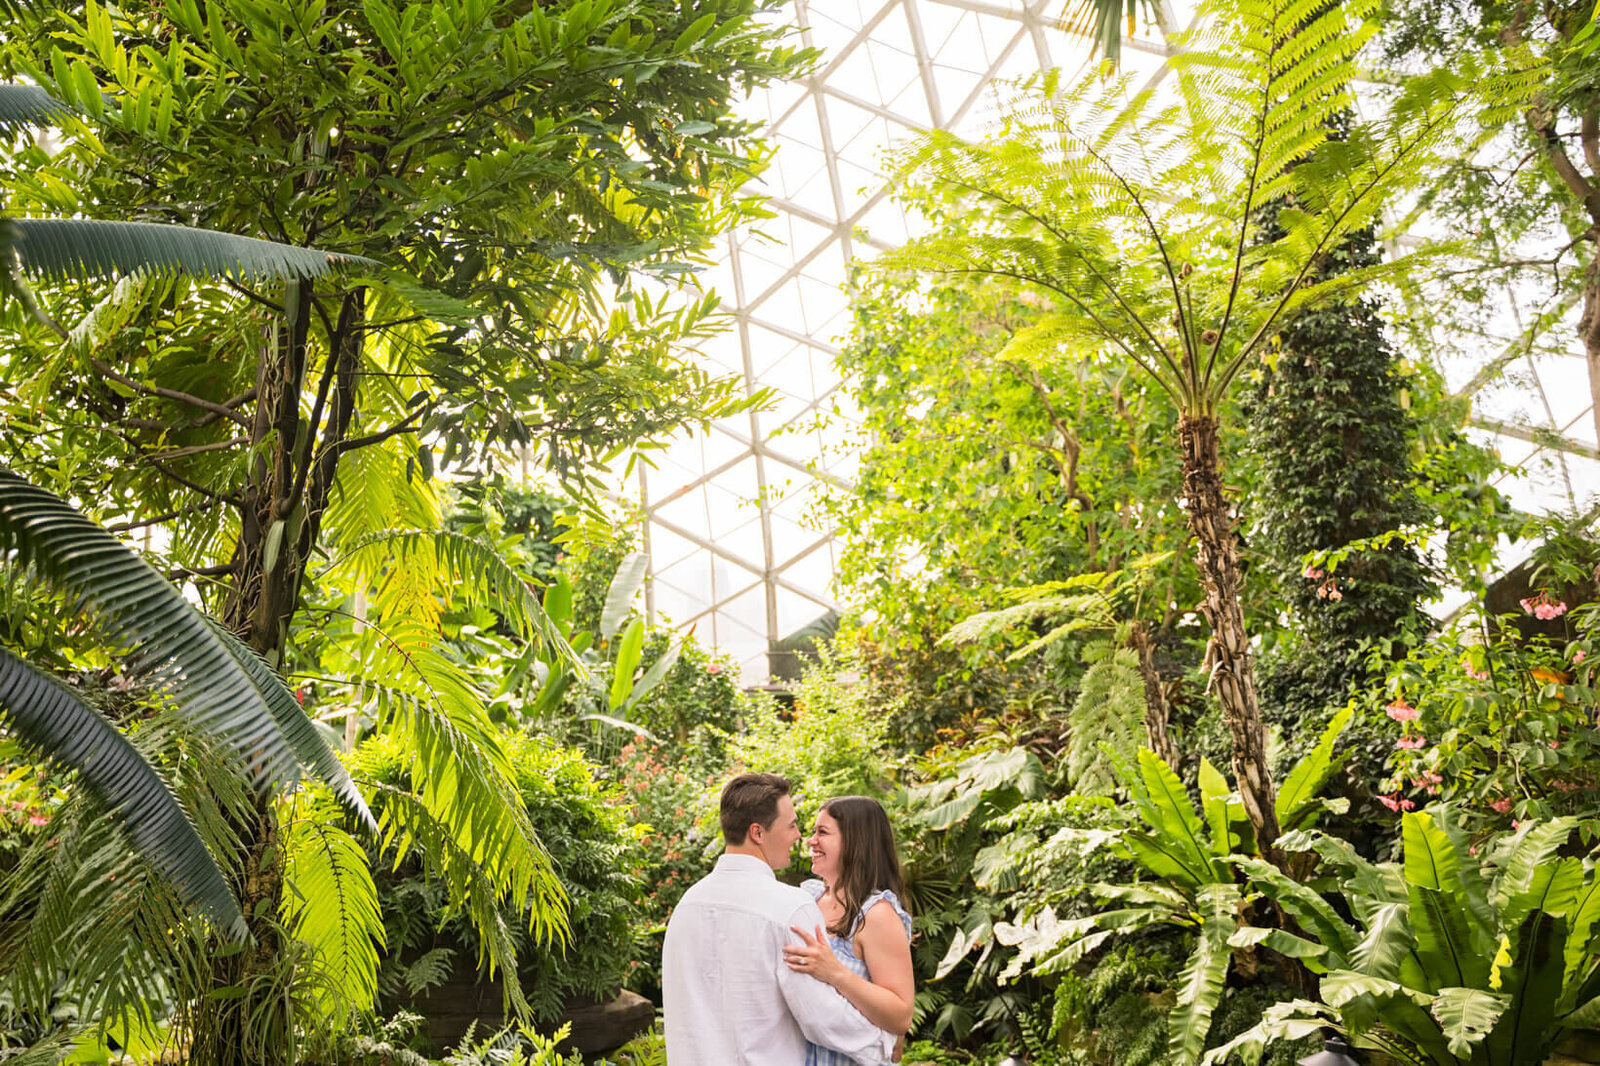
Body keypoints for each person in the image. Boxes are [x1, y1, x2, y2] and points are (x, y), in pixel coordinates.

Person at [662, 772, 899, 1066]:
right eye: (792, 825)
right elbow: (821, 1016)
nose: (799, 835)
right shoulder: (789, 908)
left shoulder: (687, 907)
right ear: (758, 833)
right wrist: (882, 1045)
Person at [783, 796, 915, 1066]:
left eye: (823, 832)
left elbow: (900, 1016)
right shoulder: (807, 899)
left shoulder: (876, 915)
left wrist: (835, 973)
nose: (810, 840)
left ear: (856, 842)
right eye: (813, 832)